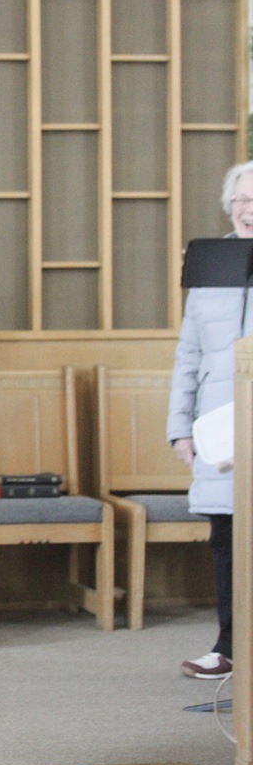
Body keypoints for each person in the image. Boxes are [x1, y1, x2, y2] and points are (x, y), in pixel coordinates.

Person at [168, 159, 253, 680]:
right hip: (220, 428)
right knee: (226, 540)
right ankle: (228, 645)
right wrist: (179, 426)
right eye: (240, 200)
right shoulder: (210, 269)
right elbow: (188, 354)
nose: (248, 210)